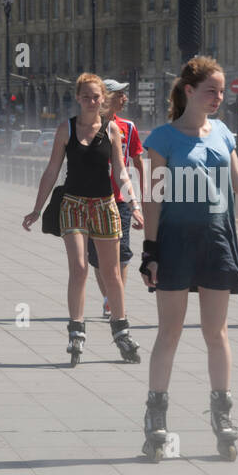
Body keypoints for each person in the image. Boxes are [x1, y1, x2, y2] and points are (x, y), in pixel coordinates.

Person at [138, 56, 238, 462]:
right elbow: (152, 198)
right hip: (174, 241)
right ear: (189, 91)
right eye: (212, 90)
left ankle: (222, 416)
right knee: (169, 332)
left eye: (222, 92)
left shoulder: (223, 132)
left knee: (216, 332)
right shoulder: (163, 139)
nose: (219, 98)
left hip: (216, 238)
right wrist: (149, 251)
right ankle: (156, 417)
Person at [22, 73, 141, 365]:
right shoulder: (66, 129)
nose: (91, 101)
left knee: (112, 273)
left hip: (104, 205)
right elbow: (51, 170)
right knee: (79, 268)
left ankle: (121, 330)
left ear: (103, 99)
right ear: (77, 98)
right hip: (73, 205)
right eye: (85, 96)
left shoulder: (113, 130)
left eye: (96, 96)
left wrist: (135, 204)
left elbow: (121, 171)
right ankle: (76, 330)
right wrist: (37, 209)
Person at [87, 79, 145, 321]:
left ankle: (114, 299)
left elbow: (138, 161)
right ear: (107, 96)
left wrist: (142, 198)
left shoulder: (128, 127)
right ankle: (109, 298)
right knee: (97, 256)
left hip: (120, 200)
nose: (125, 99)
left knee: (121, 253)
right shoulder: (88, 126)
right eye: (121, 94)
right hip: (92, 199)